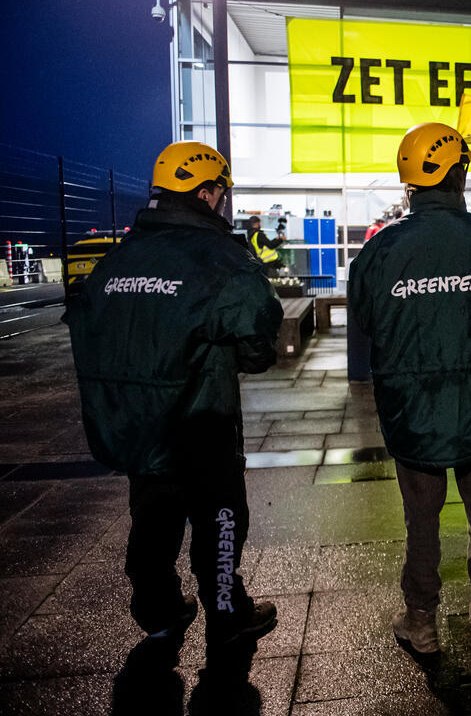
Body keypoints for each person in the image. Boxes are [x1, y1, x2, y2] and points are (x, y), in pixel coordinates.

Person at [64, 141, 282, 661]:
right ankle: (227, 617)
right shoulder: (222, 257)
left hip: (138, 424)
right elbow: (257, 347)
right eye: (222, 195)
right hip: (201, 419)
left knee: (152, 518)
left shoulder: (119, 256)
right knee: (221, 520)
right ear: (207, 194)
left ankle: (159, 613)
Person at [348, 123, 471, 655]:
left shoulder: (380, 250)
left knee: (421, 520)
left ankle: (421, 619)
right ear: (460, 174)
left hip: (413, 414)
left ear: (409, 181)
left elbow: (365, 322)